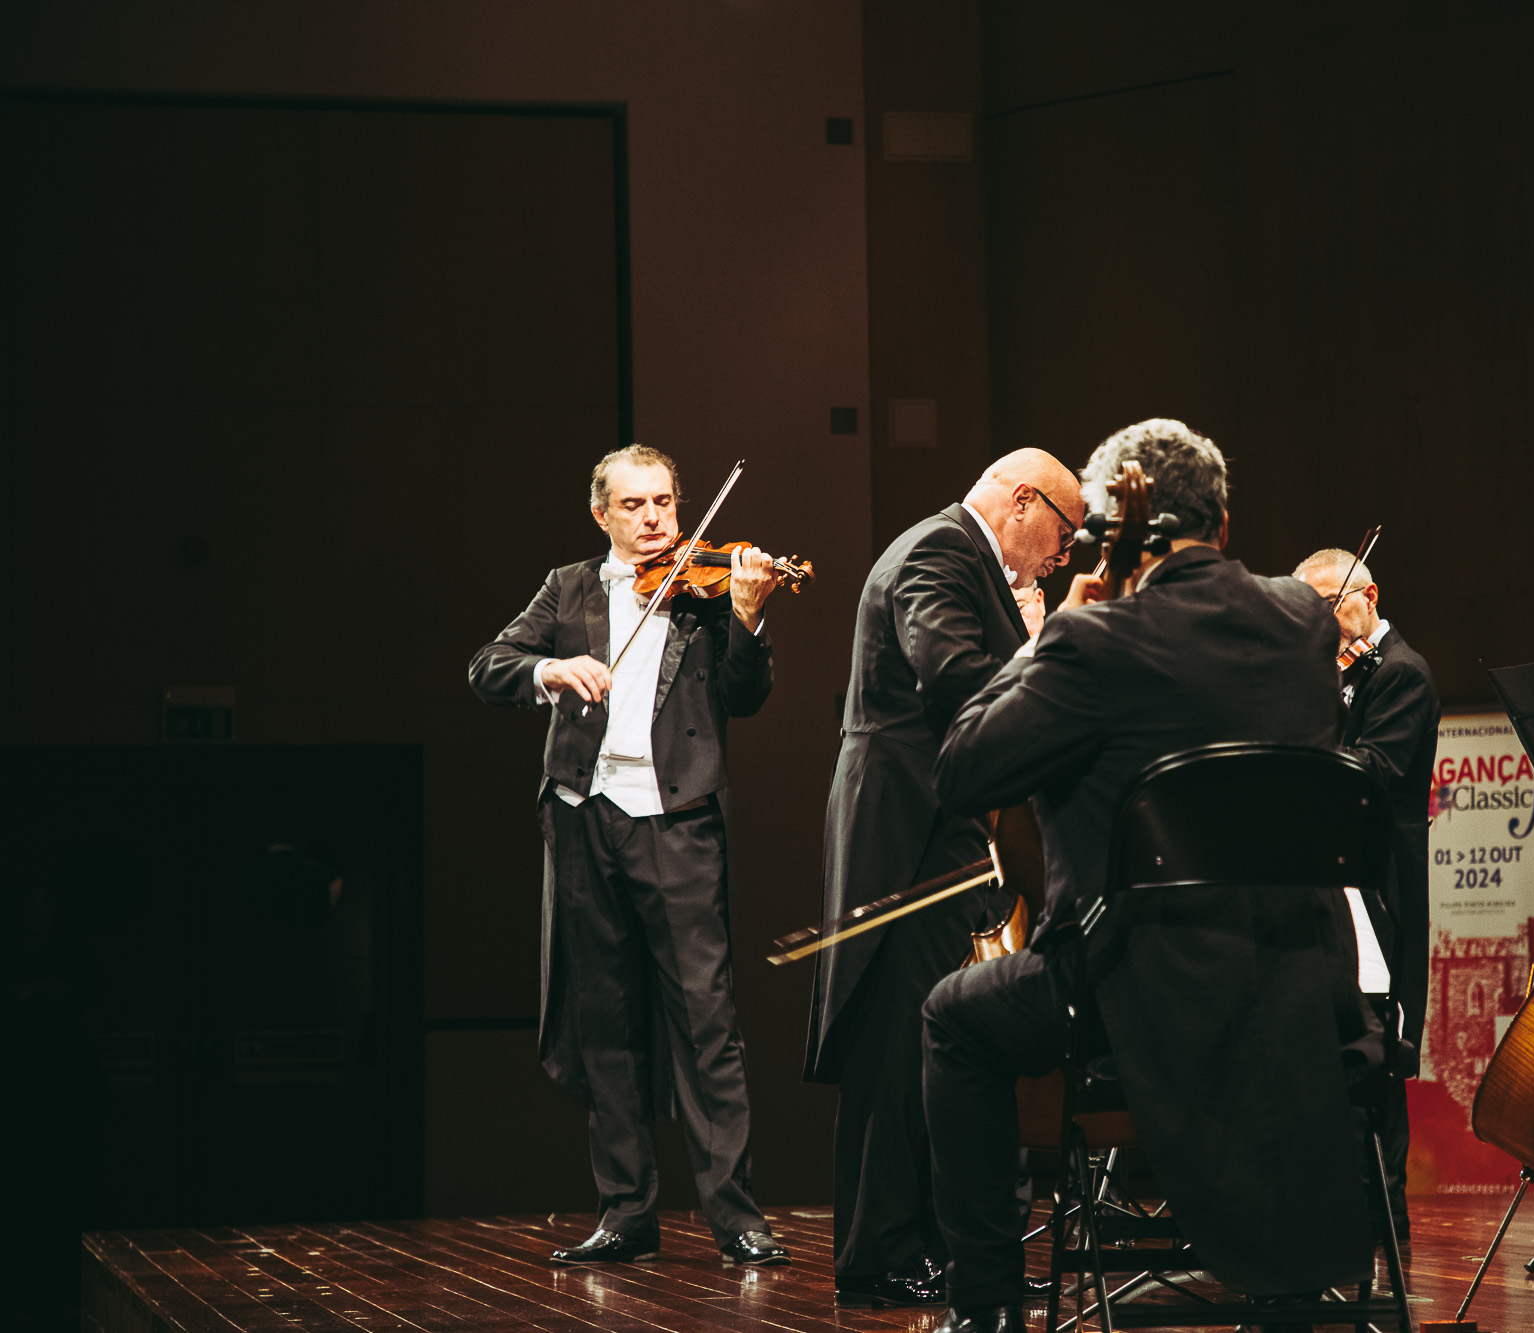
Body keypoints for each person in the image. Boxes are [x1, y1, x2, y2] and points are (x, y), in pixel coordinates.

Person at [921, 419, 1372, 1333]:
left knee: (953, 1017)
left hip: (1140, 985)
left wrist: (1054, 633)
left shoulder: (1097, 642)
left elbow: (962, 768)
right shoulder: (1302, 622)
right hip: (1300, 981)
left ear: (1119, 537)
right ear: (1226, 521)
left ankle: (989, 1311)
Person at [466, 444, 791, 1268]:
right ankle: (625, 1213)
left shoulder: (705, 589)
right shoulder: (568, 586)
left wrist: (748, 614)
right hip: (583, 817)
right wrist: (551, 668)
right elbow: (487, 666)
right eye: (636, 506)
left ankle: (736, 1217)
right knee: (603, 1018)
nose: (655, 521)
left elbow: (744, 695)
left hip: (678, 821)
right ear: (602, 513)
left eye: (665, 504)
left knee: (706, 1021)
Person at [806, 450, 1085, 1306]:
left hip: (940, 832)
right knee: (896, 1040)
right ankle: (881, 1254)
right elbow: (956, 677)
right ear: (1023, 500)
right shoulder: (937, 551)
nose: (1061, 556)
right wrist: (1050, 646)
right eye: (1063, 534)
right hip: (908, 831)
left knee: (930, 1036)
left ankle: (925, 1245)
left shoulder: (959, 556)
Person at [1293, 547, 1439, 1240]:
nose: (1320, 621)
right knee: (1344, 1032)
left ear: (1369, 595)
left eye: (1329, 604)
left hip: (1385, 878)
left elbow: (1374, 770)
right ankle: (1345, 1205)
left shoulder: (1403, 673)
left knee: (1381, 1035)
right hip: (1340, 873)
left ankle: (1388, 1211)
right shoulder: (1343, 673)